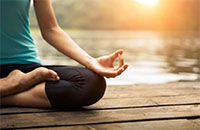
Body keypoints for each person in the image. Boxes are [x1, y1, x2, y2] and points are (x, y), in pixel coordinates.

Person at [0, 0, 128, 109]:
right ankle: (12, 85)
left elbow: (51, 29)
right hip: (19, 79)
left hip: (26, 67)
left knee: (90, 83)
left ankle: (9, 88)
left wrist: (90, 61)